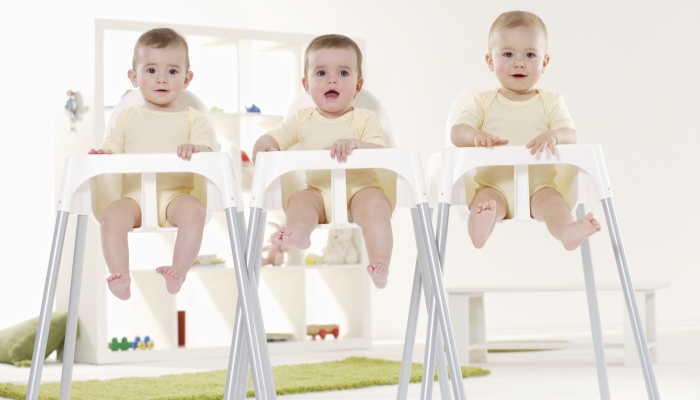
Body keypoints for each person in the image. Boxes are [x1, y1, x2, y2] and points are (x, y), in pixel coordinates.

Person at [451, 11, 601, 250]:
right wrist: (475, 136)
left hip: (540, 187)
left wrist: (553, 135)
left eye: (530, 54)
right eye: (508, 54)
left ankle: (567, 232)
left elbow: (570, 134)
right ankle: (480, 229)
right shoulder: (482, 101)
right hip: (493, 184)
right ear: (490, 61)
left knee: (555, 207)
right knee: (483, 205)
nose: (519, 62)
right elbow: (457, 132)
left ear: (544, 62)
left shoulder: (551, 101)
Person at [252, 34, 393, 288]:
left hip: (361, 190)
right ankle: (301, 231)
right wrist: (264, 143)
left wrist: (356, 144)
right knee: (298, 200)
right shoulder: (301, 119)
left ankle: (380, 261)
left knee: (376, 208)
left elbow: (380, 149)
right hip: (319, 192)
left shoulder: (365, 118)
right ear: (306, 85)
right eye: (321, 73)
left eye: (343, 73)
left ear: (358, 85)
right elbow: (277, 136)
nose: (332, 79)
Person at [89, 28, 214, 300]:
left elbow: (207, 150)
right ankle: (120, 275)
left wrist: (197, 149)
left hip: (176, 197)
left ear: (187, 78)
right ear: (134, 77)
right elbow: (111, 147)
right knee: (111, 216)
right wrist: (102, 155)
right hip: (133, 199)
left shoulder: (194, 118)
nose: (161, 78)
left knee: (195, 212)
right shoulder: (125, 116)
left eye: (172, 71)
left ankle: (179, 271)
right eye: (150, 70)